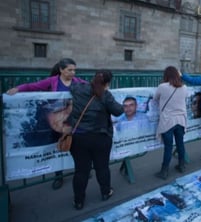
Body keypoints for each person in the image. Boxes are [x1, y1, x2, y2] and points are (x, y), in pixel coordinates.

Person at [6, 58, 87, 190]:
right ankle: (58, 176)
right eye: (70, 70)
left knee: (77, 148)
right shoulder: (52, 81)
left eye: (74, 70)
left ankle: (82, 172)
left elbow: (91, 88)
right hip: (55, 123)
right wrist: (17, 89)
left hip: (73, 122)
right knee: (57, 148)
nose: (73, 73)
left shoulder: (79, 82)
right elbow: (31, 87)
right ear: (61, 69)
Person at [66, 70, 123, 210]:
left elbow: (71, 85)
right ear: (108, 83)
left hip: (79, 137)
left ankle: (78, 201)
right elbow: (118, 110)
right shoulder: (105, 95)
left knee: (81, 170)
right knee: (102, 167)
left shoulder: (78, 88)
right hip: (100, 137)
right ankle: (105, 192)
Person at [153, 66, 188, 180]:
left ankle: (164, 171)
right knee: (180, 144)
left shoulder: (162, 87)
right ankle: (181, 166)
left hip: (168, 121)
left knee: (168, 147)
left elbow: (155, 98)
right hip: (181, 120)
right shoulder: (184, 88)